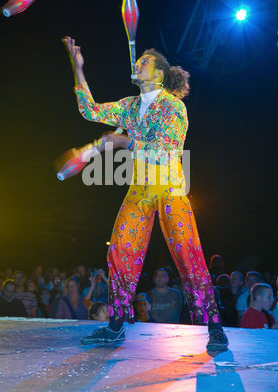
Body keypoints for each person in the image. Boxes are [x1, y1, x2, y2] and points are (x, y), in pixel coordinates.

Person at [63, 36, 228, 351]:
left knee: (188, 255)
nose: (137, 63)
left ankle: (215, 328)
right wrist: (78, 67)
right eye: (138, 61)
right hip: (139, 190)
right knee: (120, 253)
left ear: (158, 75)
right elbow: (89, 110)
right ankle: (115, 327)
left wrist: (125, 143)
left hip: (170, 188)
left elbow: (168, 154)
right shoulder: (129, 106)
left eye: (144, 62)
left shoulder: (174, 107)